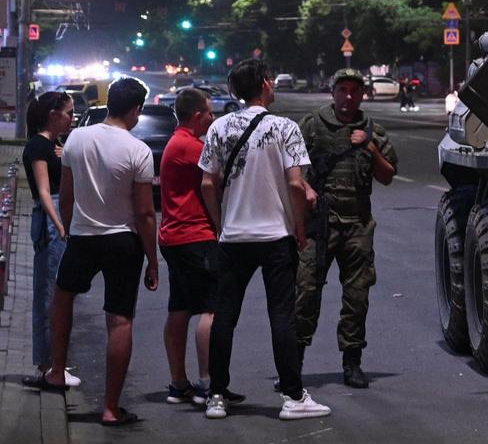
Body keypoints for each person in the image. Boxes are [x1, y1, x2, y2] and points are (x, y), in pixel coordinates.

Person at [198, 60, 330, 421]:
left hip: (233, 237)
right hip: (275, 236)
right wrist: (299, 227)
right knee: (281, 316)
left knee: (225, 316)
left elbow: (208, 183)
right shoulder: (284, 127)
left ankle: (216, 396)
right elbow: (294, 183)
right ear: (264, 84)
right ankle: (293, 397)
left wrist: (220, 222)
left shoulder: (219, 127)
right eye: (270, 79)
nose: (273, 84)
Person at [36, 77, 158, 427]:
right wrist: (152, 259)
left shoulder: (77, 138)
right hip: (122, 240)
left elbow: (68, 195)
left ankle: (57, 371)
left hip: (83, 236)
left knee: (62, 297)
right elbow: (146, 214)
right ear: (135, 110)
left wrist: (72, 229)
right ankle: (110, 407)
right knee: (119, 319)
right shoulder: (138, 151)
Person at [295, 68, 397, 388]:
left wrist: (370, 148)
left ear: (363, 94)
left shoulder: (372, 130)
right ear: (333, 91)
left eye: (355, 90)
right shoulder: (312, 125)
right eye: (343, 90)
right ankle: (293, 363)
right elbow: (289, 166)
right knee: (306, 292)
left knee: (357, 297)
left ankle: (352, 361)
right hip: (319, 225)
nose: (348, 97)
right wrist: (303, 192)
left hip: (357, 226)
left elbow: (387, 175)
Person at [158, 88, 219, 405]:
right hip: (195, 235)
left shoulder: (176, 142)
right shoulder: (192, 146)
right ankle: (208, 383)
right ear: (197, 116)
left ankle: (178, 383)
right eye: (209, 113)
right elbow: (218, 179)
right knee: (212, 308)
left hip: (174, 236)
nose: (213, 117)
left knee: (180, 308)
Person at [20, 91, 81, 389]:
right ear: (53, 114)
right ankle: (47, 365)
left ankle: (53, 362)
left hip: (57, 215)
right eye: (69, 112)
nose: (73, 117)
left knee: (56, 292)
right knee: (49, 294)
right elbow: (44, 191)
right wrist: (59, 225)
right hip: (50, 216)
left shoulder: (53, 146)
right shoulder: (37, 146)